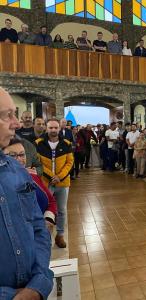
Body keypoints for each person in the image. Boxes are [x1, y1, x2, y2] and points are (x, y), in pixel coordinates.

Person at [0, 87, 54, 300]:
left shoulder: (18, 171)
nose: (17, 123)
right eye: (7, 115)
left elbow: (38, 228)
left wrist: (38, 284)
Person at [36, 118, 73, 248]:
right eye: (50, 127)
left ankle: (60, 235)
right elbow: (38, 163)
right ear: (46, 128)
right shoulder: (39, 143)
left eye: (55, 128)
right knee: (46, 210)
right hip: (46, 183)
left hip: (63, 184)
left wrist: (60, 177)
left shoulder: (66, 143)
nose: (53, 130)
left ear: (59, 128)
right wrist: (52, 176)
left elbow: (69, 163)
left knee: (62, 210)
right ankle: (45, 237)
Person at [3, 138, 57, 228]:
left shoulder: (33, 176)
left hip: (42, 234)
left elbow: (51, 201)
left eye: (22, 154)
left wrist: (48, 218)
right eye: (12, 155)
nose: (19, 159)